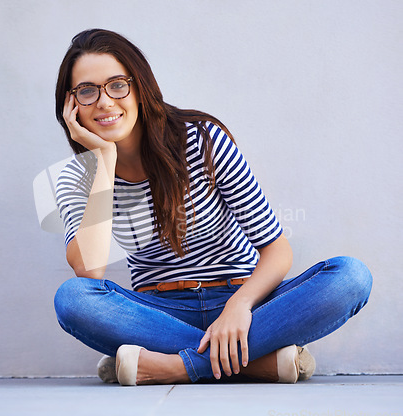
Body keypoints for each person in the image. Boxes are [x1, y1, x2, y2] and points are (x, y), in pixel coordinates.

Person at [53, 28, 372, 386]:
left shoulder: (201, 140)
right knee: (72, 299)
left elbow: (277, 250)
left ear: (139, 87)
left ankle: (174, 366)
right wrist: (103, 161)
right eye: (87, 90)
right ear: (71, 104)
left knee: (350, 277)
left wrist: (239, 306)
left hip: (244, 301)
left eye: (117, 85)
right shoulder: (75, 178)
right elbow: (90, 273)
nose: (105, 101)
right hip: (160, 313)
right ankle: (255, 363)